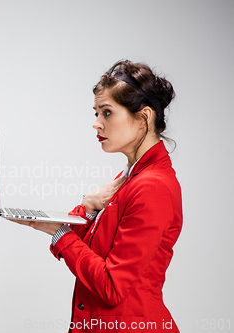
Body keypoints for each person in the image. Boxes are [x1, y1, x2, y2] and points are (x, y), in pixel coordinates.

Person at [13, 60, 182, 332]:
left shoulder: (152, 187)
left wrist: (61, 234)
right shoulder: (129, 177)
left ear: (144, 117)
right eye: (96, 113)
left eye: (107, 113)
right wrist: (87, 207)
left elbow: (112, 285)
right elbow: (94, 252)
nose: (96, 124)